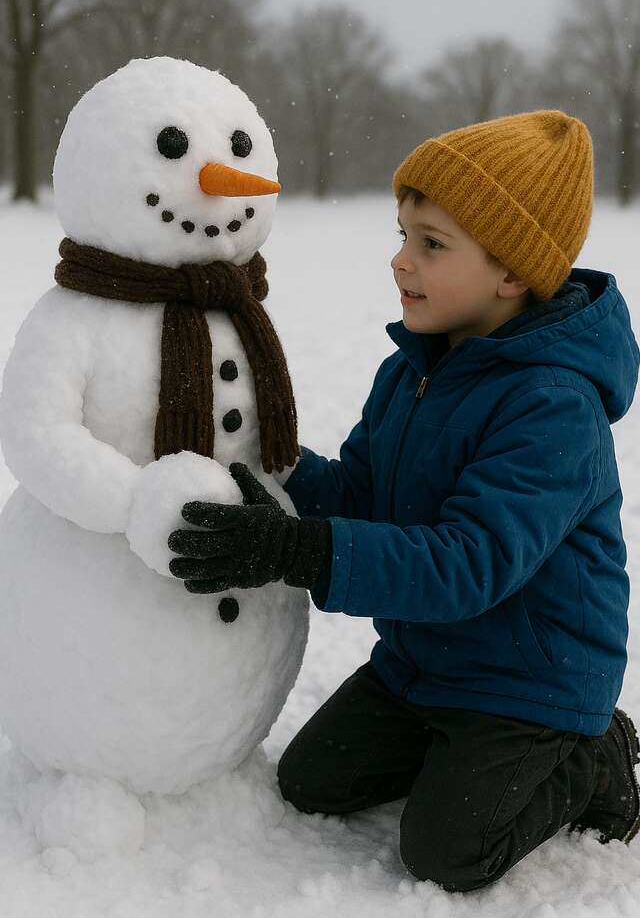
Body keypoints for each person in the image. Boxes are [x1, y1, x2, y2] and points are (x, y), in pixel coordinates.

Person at [167, 110, 640, 892]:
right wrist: (271, 461)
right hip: (425, 663)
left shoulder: (553, 406)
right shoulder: (414, 370)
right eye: (403, 234)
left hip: (531, 682)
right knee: (312, 781)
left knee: (448, 853)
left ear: (511, 274)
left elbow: (468, 564)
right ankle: (450, 748)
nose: (400, 260)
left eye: (432, 244)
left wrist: (294, 550)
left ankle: (594, 758)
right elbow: (363, 492)